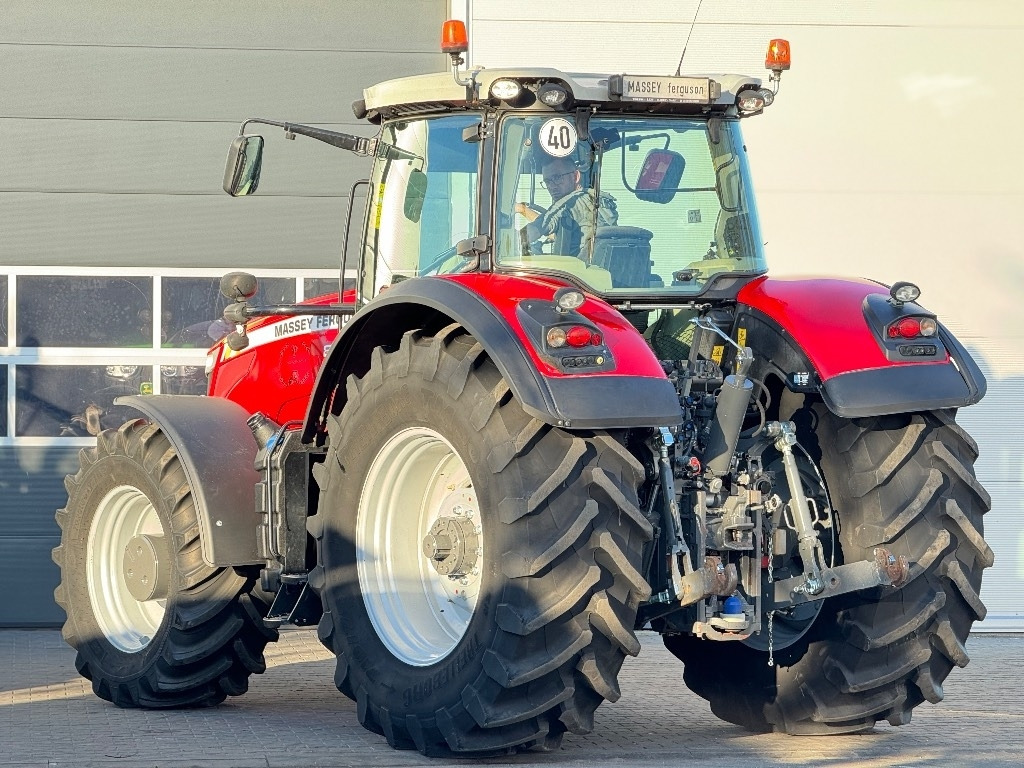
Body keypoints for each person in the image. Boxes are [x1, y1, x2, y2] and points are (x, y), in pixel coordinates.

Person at [514, 156, 617, 260]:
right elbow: (552, 224)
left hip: (578, 271)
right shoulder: (599, 200)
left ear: (576, 176)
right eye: (547, 181)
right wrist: (524, 210)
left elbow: (537, 228)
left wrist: (508, 242)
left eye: (557, 178)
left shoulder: (569, 203)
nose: (552, 186)